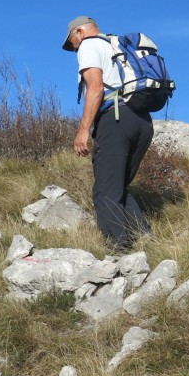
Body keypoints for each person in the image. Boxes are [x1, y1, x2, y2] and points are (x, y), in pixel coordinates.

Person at [62, 15, 153, 252]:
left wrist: (83, 131)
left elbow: (96, 87)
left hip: (115, 118)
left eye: (73, 44)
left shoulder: (89, 45)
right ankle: (144, 238)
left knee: (104, 191)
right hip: (142, 121)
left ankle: (118, 249)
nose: (75, 49)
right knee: (118, 186)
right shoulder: (117, 47)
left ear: (79, 32)